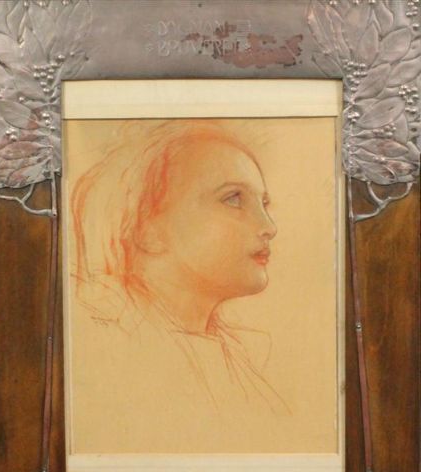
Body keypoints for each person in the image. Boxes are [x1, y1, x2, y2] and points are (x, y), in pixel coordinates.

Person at [69, 120, 289, 454]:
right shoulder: (105, 356)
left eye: (264, 203)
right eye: (233, 199)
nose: (269, 227)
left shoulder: (240, 366)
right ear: (145, 227)